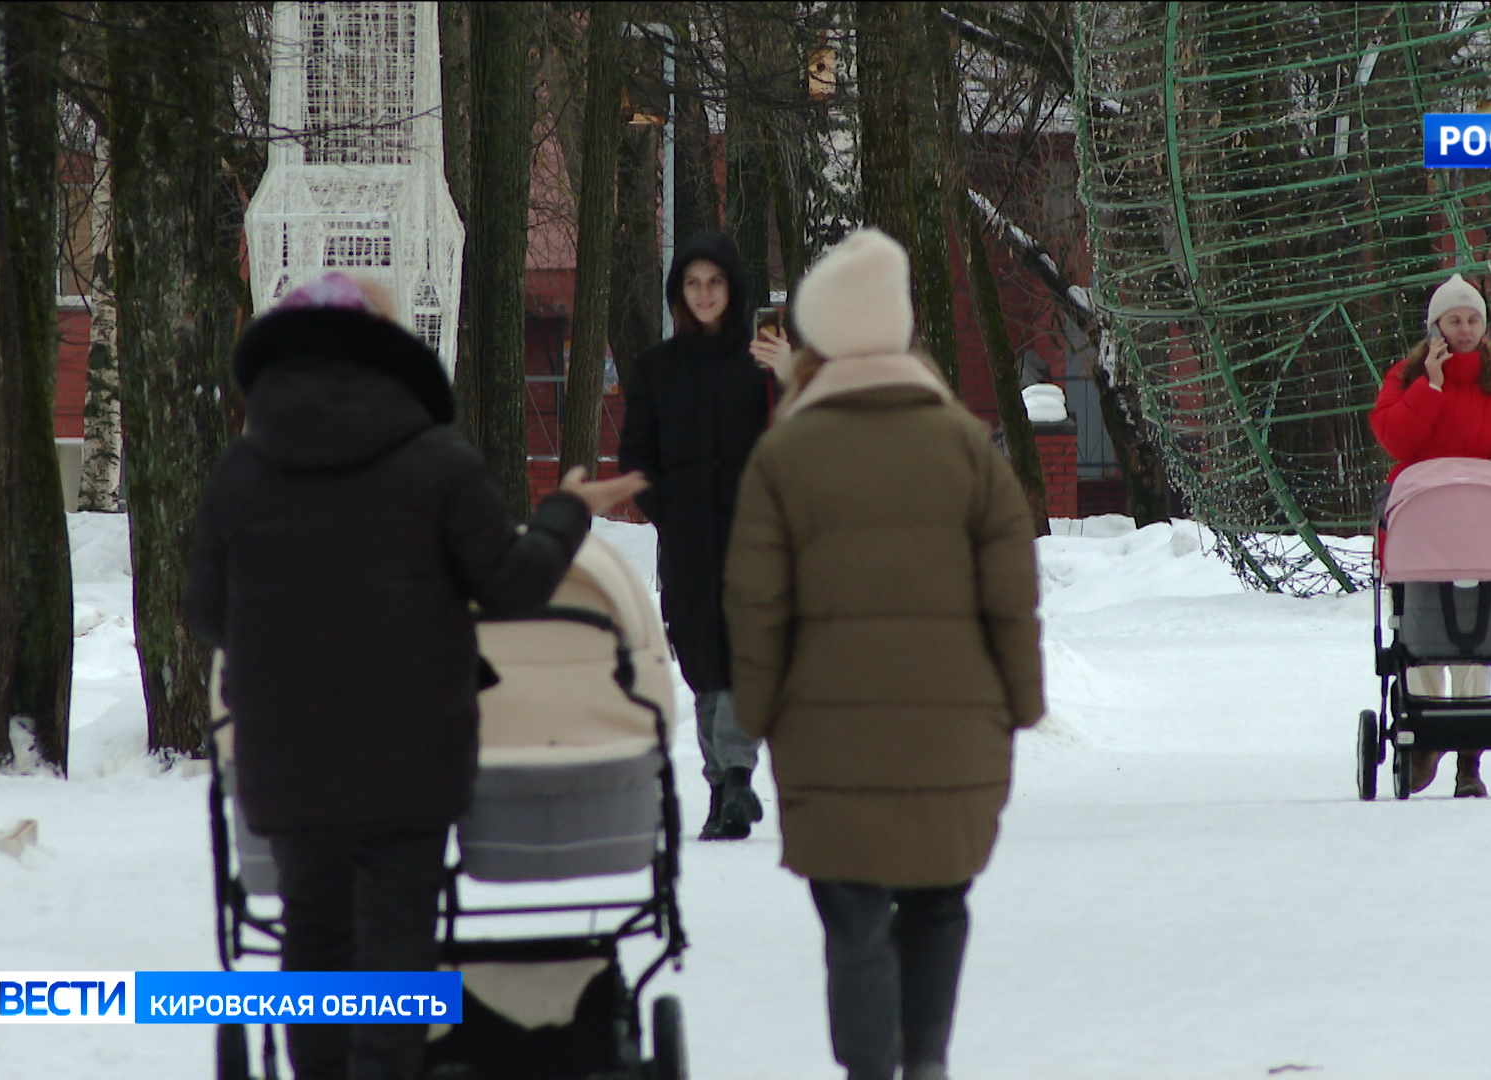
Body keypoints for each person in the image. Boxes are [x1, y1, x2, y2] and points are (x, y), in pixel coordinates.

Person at [184, 272, 645, 1080]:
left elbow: (208, 613)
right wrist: (567, 511)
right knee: (396, 956)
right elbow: (509, 586)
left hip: (289, 759)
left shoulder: (241, 474)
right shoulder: (435, 460)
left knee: (315, 945)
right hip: (409, 758)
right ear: (387, 350)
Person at [723, 229, 1044, 1080]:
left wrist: (753, 714)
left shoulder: (784, 453)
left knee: (854, 914)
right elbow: (1012, 594)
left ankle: (870, 1070)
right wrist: (1022, 699)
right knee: (939, 903)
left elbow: (755, 604)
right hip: (956, 729)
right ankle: (927, 1063)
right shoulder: (968, 449)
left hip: (825, 735)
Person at [618, 231, 793, 841]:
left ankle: (736, 777)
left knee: (743, 652)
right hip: (688, 541)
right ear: (678, 293)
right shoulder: (654, 369)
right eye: (692, 283)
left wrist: (793, 374)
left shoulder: (761, 365)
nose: (704, 294)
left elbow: (806, 435)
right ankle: (724, 787)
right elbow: (637, 458)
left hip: (755, 536)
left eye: (715, 281)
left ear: (733, 288)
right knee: (703, 662)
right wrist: (666, 507)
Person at [1370, 272, 1491, 798]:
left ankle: (1469, 754)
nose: (1465, 329)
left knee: (1481, 637)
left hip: (1483, 533)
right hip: (1422, 532)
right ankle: (1427, 735)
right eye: (1454, 320)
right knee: (1421, 635)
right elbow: (1394, 438)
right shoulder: (1406, 378)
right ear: (1436, 327)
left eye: (1473, 320)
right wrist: (1432, 387)